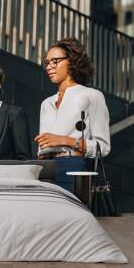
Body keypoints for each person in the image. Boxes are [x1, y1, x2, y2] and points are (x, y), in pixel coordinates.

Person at [34, 37, 110, 192]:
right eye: (47, 63)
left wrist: (64, 140)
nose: (49, 66)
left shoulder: (92, 96)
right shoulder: (46, 103)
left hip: (73, 165)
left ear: (72, 61)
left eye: (55, 61)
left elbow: (102, 147)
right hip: (44, 169)